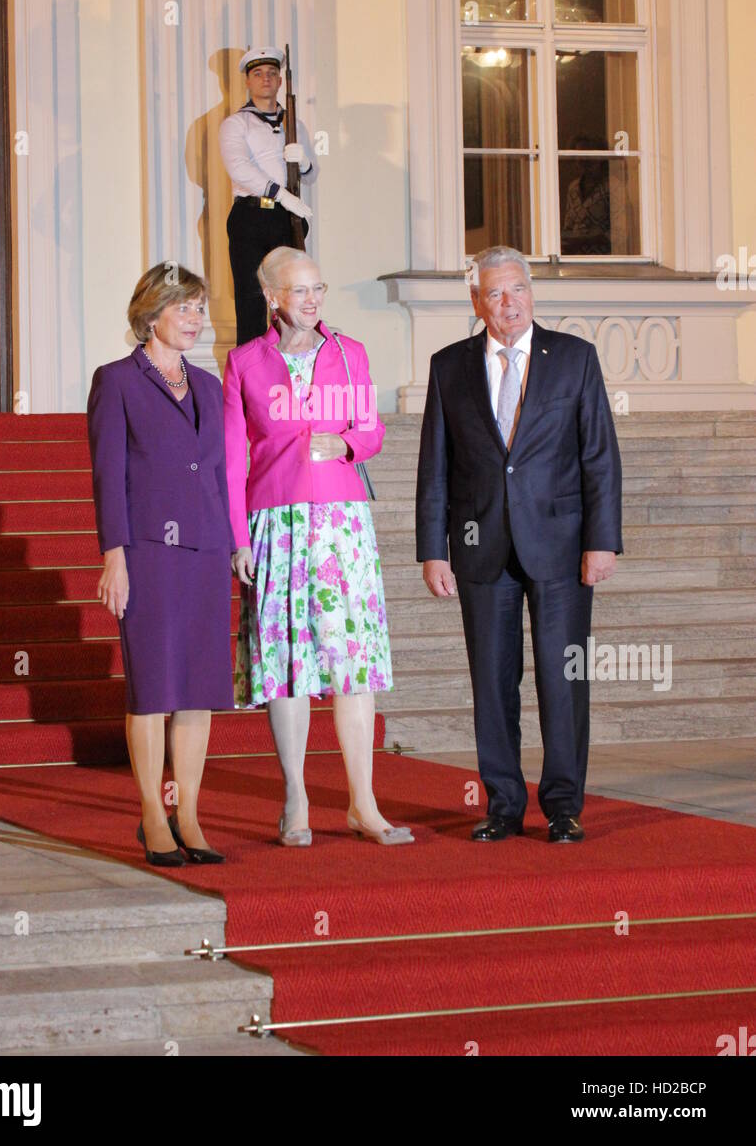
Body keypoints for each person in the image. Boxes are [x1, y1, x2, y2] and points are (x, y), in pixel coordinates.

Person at [416, 245, 622, 843]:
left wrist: (601, 541)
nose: (510, 304)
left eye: (519, 290)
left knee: (563, 679)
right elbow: (435, 467)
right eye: (496, 294)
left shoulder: (574, 360)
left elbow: (600, 458)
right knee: (492, 680)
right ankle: (503, 805)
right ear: (477, 301)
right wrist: (434, 548)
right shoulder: (448, 366)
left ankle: (563, 806)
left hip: (560, 547)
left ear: (532, 293)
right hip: (480, 548)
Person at [223, 246, 412, 846]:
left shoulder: (349, 354)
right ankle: (296, 800)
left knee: (353, 664)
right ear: (272, 297)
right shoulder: (245, 363)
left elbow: (372, 428)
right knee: (288, 665)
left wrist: (350, 447)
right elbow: (232, 458)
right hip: (275, 521)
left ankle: (364, 803)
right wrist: (235, 537)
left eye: (318, 289)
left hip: (341, 525)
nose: (311, 301)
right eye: (299, 291)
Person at [87, 263, 235, 866]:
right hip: (146, 552)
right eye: (186, 308)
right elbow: (108, 475)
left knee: (198, 689)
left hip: (203, 550)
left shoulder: (209, 386)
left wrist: (230, 543)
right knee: (152, 688)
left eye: (200, 309)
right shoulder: (116, 381)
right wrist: (113, 557)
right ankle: (152, 811)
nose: (197, 319)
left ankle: (190, 815)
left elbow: (220, 474)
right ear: (152, 316)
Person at [219, 47, 316, 345]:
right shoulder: (237, 124)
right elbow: (239, 167)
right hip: (251, 217)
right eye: (258, 74)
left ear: (279, 82)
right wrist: (281, 195)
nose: (266, 79)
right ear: (247, 81)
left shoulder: (294, 123)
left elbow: (311, 174)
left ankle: (291, 361)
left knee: (290, 298)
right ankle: (249, 376)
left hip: (285, 219)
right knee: (251, 301)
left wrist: (304, 163)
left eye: (272, 74)